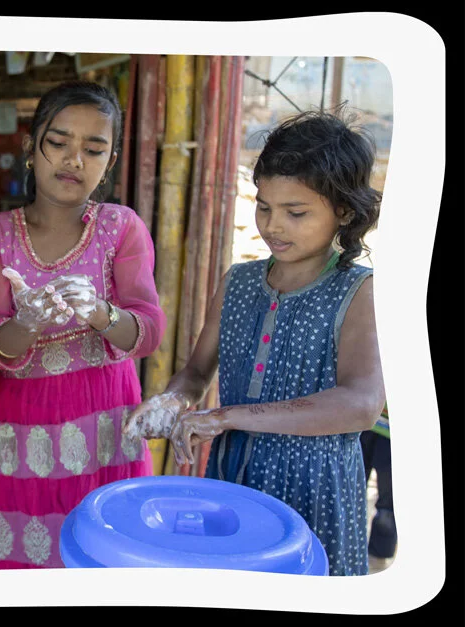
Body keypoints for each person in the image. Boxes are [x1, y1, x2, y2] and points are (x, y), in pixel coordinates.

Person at [126, 107, 385, 576]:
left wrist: (228, 416)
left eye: (296, 211)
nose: (273, 225)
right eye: (264, 207)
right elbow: (198, 370)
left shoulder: (358, 289)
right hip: (234, 476)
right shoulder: (240, 281)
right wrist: (173, 400)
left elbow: (361, 404)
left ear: (344, 211)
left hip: (315, 485)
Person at [0, 81, 165, 570]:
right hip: (18, 428)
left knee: (102, 560)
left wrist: (101, 312)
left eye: (93, 149)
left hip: (105, 424)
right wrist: (26, 323)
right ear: (31, 146)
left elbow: (149, 330)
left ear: (110, 161)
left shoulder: (122, 227)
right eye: (58, 143)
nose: (74, 160)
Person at [362, 403, 396, 560]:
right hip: (363, 425)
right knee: (350, 495)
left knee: (387, 505)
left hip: (393, 437)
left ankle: (379, 554)